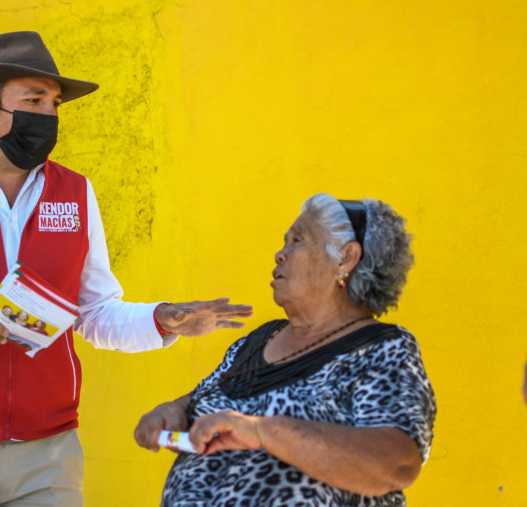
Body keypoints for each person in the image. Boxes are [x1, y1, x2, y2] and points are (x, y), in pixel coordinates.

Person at [0, 31, 252, 507]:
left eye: (55, 103)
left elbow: (94, 312)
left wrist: (159, 320)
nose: (50, 116)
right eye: (33, 99)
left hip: (49, 450)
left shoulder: (75, 192)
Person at [135, 193, 436, 506]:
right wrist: (175, 410)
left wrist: (265, 432)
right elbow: (206, 398)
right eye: (285, 242)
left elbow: (396, 465)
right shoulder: (258, 341)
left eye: (298, 240)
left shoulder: (382, 348)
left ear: (346, 258)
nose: (280, 254)